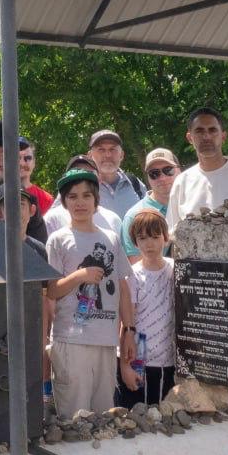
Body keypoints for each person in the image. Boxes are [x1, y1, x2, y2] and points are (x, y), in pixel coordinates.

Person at [45, 169, 133, 418]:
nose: (80, 202)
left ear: (96, 200)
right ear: (64, 202)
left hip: (106, 340)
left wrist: (129, 331)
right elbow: (51, 290)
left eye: (86, 195)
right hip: (71, 340)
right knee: (75, 419)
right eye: (72, 197)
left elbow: (123, 288)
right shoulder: (58, 240)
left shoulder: (112, 238)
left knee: (104, 417)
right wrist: (79, 276)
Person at [117, 208, 176, 407]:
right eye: (142, 238)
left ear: (165, 238)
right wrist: (125, 366)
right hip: (140, 361)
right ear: (135, 242)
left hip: (169, 361)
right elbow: (126, 323)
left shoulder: (176, 270)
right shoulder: (132, 276)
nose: (149, 244)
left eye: (155, 236)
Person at [44, 153, 124, 240]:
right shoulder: (52, 218)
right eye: (76, 171)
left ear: (99, 179)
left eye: (89, 173)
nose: (82, 177)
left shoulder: (113, 219)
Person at [120, 147, 180, 263]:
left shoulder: (192, 206)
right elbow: (137, 268)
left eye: (168, 170)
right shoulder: (134, 216)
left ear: (179, 170)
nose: (162, 178)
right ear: (147, 177)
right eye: (154, 173)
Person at [88, 129, 146, 218]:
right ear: (90, 156)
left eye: (113, 149)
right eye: (101, 149)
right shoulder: (78, 187)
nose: (108, 155)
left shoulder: (135, 184)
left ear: (122, 155)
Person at [0, 180, 48, 246]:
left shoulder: (40, 250)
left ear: (32, 210)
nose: (15, 211)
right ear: (0, 214)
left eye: (20, 204)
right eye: (8, 205)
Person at [19, 140, 53, 215]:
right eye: (16, 158)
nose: (22, 163)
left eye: (27, 158)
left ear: (34, 163)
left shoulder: (46, 199)